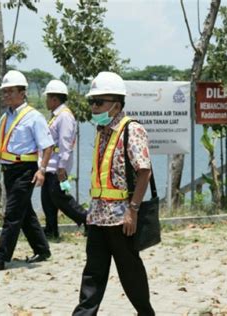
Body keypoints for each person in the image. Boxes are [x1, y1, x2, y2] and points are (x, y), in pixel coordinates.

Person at [73, 72, 154, 315]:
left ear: (116, 105)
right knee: (92, 275)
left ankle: (145, 312)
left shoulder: (132, 129)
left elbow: (144, 172)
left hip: (121, 218)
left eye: (99, 102)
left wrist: (133, 210)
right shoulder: (102, 130)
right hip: (97, 215)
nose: (94, 107)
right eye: (92, 102)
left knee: (130, 274)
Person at [0, 70, 54, 271]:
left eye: (10, 91)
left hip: (26, 170)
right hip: (8, 169)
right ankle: (42, 249)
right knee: (25, 212)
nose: (6, 96)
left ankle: (1, 256)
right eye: (4, 92)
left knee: (12, 212)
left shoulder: (34, 117)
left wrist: (42, 170)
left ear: (22, 93)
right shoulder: (5, 117)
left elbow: (47, 146)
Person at [41, 79, 87, 239]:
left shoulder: (64, 117)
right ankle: (51, 230)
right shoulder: (56, 116)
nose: (46, 101)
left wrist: (62, 167)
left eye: (47, 97)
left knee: (61, 199)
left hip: (57, 167)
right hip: (49, 166)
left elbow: (65, 144)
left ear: (54, 99)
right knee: (47, 200)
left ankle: (86, 219)